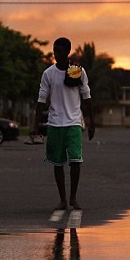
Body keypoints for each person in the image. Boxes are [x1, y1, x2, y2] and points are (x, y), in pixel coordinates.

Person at [32, 37, 95, 210]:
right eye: (54, 51)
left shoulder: (77, 71)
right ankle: (62, 199)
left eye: (59, 51)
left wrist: (92, 122)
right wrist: (35, 126)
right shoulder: (48, 74)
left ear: (67, 52)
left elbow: (87, 97)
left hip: (74, 122)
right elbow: (41, 100)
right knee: (57, 163)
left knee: (75, 161)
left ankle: (73, 197)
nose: (55, 54)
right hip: (55, 124)